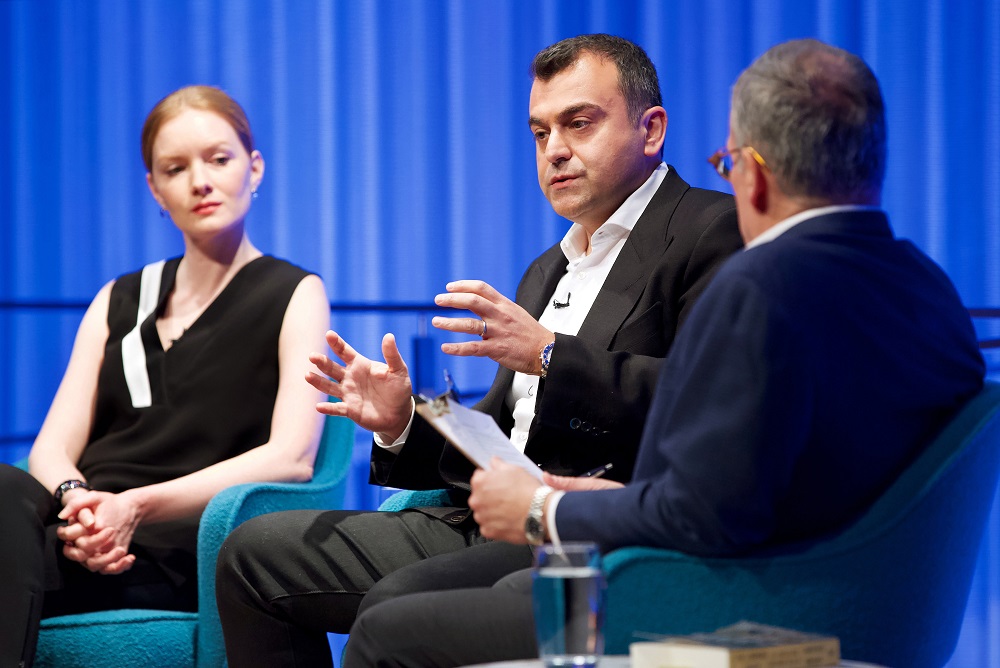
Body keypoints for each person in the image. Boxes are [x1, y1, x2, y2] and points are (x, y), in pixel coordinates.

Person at [341, 38, 987, 667]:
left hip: (717, 604)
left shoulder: (759, 288)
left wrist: (545, 509)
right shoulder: (935, 295)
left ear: (754, 178)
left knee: (388, 633)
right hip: (881, 617)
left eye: (727, 166)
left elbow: (703, 514)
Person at [216, 34, 743, 666]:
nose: (557, 152)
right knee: (251, 554)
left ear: (650, 129)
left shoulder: (710, 231)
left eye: (579, 124)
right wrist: (402, 421)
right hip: (478, 518)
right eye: (540, 134)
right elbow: (497, 439)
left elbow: (705, 404)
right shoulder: (547, 269)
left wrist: (552, 354)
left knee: (393, 610)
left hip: (583, 529)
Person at [0, 85, 330, 668]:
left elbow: (292, 457)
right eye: (175, 168)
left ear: (254, 168)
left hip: (174, 545)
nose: (199, 181)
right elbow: (53, 445)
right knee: (5, 485)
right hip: (82, 530)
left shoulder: (294, 293)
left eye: (219, 159)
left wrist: (135, 507)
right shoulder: (119, 296)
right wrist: (82, 505)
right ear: (155, 189)